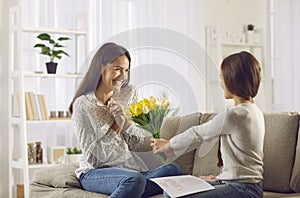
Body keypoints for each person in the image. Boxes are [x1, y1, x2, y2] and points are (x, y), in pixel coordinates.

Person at [69, 42, 182, 198]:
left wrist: (126, 123)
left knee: (173, 170)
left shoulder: (128, 93)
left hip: (131, 169)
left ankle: (133, 191)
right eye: (117, 69)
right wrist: (116, 124)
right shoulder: (83, 104)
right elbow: (93, 157)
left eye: (126, 70)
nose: (123, 76)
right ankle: (134, 188)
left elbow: (136, 142)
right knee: (134, 180)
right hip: (95, 172)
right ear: (101, 67)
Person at [151, 51, 265, 198]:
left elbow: (198, 133)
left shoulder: (233, 115)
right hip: (238, 184)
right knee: (171, 192)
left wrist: (168, 145)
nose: (221, 84)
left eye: (222, 78)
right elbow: (241, 160)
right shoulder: (255, 112)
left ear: (233, 80)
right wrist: (220, 178)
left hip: (243, 189)